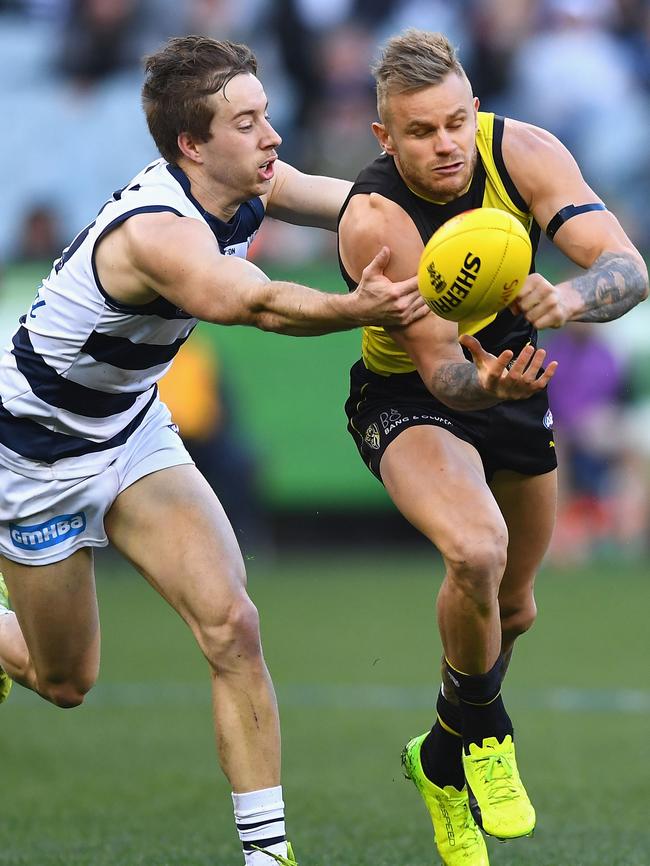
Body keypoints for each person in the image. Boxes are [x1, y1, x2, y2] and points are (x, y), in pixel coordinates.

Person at [0, 35, 428, 866]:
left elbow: (356, 202)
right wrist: (363, 306)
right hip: (35, 457)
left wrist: (455, 209)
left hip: (129, 428)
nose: (272, 136)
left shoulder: (252, 183)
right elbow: (256, 304)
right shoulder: (156, 231)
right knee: (65, 683)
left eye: (267, 114)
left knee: (233, 625)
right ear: (192, 145)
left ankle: (267, 856)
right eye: (248, 122)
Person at [337, 28, 648, 866]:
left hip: (516, 379)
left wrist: (573, 296)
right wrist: (490, 386)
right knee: (475, 550)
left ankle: (437, 757)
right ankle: (485, 734)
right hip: (411, 396)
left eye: (454, 122)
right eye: (419, 131)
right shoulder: (376, 219)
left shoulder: (525, 151)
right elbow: (443, 373)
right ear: (383, 137)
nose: (444, 145)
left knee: (515, 609)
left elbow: (628, 267)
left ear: (473, 109)